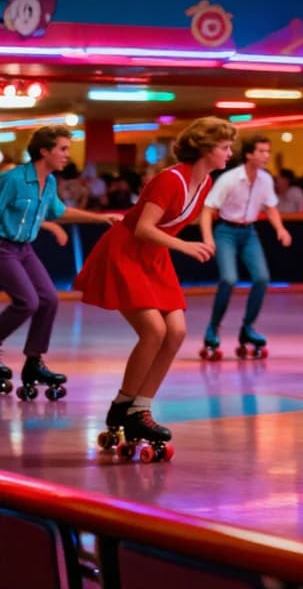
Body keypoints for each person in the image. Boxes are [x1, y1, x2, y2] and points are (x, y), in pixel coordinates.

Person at [74, 118, 236, 454]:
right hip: (127, 252)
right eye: (225, 147)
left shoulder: (204, 183)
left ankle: (139, 408)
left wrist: (181, 245)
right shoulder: (170, 179)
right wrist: (186, 247)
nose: (230, 153)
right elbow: (143, 228)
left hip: (154, 257)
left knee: (175, 332)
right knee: (153, 331)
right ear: (206, 149)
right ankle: (123, 406)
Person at [0, 125, 117, 397]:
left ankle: (33, 362)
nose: (67, 154)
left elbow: (57, 211)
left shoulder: (49, 182)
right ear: (44, 151)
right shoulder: (13, 179)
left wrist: (100, 218)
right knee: (27, 301)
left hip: (24, 249)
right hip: (2, 247)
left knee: (49, 299)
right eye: (62, 149)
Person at [199, 135, 292, 359]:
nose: (266, 156)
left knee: (261, 278)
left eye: (268, 151)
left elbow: (270, 207)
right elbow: (207, 210)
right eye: (261, 151)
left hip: (249, 232)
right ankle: (213, 328)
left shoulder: (265, 180)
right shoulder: (229, 179)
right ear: (249, 154)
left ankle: (247, 329)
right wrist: (208, 239)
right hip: (226, 232)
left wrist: (280, 229)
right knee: (228, 279)